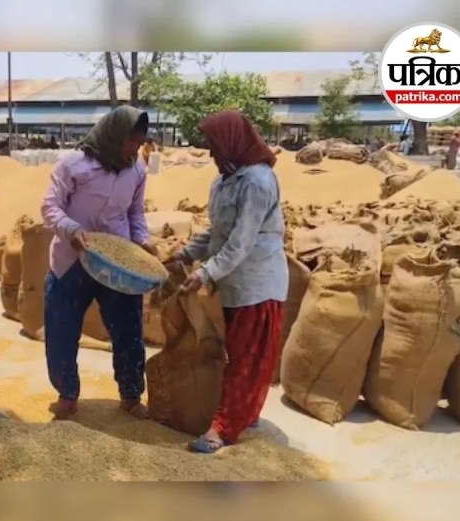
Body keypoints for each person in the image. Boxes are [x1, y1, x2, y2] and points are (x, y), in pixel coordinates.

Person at [163, 109, 288, 454]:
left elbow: (241, 242)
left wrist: (204, 273)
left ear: (232, 142)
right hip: (233, 283)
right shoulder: (223, 182)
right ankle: (242, 412)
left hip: (258, 284)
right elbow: (217, 232)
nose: (212, 153)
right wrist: (186, 254)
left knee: (248, 359)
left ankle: (223, 429)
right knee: (237, 354)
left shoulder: (257, 182)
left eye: (215, 145)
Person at [41, 105, 157, 420]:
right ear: (115, 135)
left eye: (140, 142)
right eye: (131, 141)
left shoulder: (137, 170)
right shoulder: (74, 164)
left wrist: (142, 240)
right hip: (72, 259)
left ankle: (131, 394)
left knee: (128, 330)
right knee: (62, 329)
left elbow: (135, 212)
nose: (135, 149)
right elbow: (50, 206)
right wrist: (71, 230)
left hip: (117, 263)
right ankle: (67, 394)